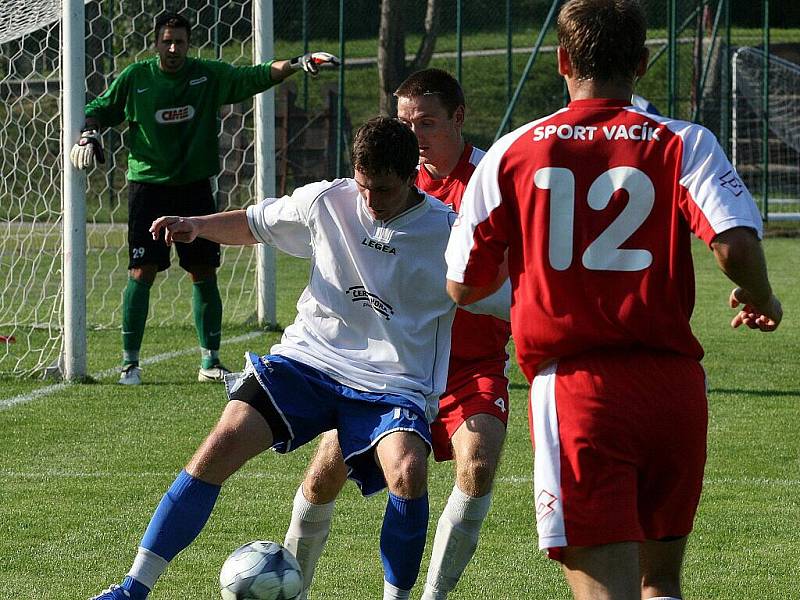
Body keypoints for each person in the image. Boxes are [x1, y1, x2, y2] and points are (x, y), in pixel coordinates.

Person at [89, 117, 509, 600]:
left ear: (412, 176)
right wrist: (197, 226)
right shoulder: (328, 200)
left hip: (393, 384)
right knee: (223, 439)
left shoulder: (448, 233)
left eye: (385, 191)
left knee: (409, 471)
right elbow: (254, 223)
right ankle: (132, 588)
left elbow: (507, 295)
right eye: (364, 185)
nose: (371, 200)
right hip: (309, 362)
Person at [444, 1, 782, 599]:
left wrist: (538, 265)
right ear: (644, 63)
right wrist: (763, 298)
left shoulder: (514, 152)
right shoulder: (685, 141)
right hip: (674, 390)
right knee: (663, 583)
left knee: (606, 589)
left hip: (580, 393)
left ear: (561, 60)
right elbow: (732, 244)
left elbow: (464, 286)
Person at [281, 68, 512, 600]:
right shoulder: (391, 177)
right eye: (404, 122)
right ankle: (289, 588)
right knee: (323, 477)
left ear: (458, 118)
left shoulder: (495, 181)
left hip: (468, 364)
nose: (413, 136)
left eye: (426, 122)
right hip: (391, 365)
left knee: (477, 462)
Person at [69, 11, 339, 385]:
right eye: (167, 41)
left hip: (195, 187)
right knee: (141, 271)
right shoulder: (136, 78)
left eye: (180, 41)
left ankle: (210, 361)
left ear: (188, 42)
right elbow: (100, 109)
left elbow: (255, 75)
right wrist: (89, 134)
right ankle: (130, 363)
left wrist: (298, 62)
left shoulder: (206, 75)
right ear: (156, 43)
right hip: (148, 186)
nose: (174, 48)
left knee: (203, 271)